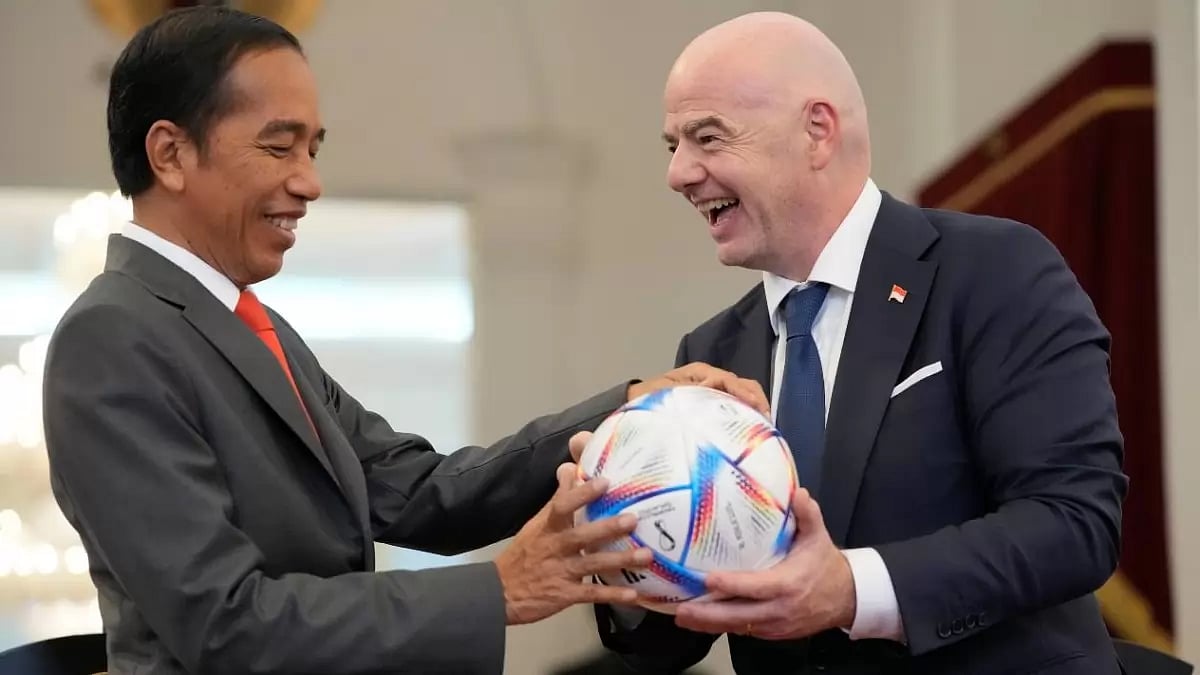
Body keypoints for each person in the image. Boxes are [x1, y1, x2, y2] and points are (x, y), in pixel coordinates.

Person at [40, 7, 769, 674]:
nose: (309, 183)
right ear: (170, 153)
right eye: (279, 147)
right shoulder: (112, 337)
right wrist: (501, 589)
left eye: (312, 149)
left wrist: (628, 409)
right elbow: (225, 622)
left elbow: (419, 491)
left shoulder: (252, 326)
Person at [585, 11, 1128, 675]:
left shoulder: (995, 270)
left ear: (817, 131)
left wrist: (852, 589)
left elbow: (1074, 522)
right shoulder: (713, 351)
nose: (678, 173)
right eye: (673, 145)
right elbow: (674, 635)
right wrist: (617, 543)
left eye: (707, 137)